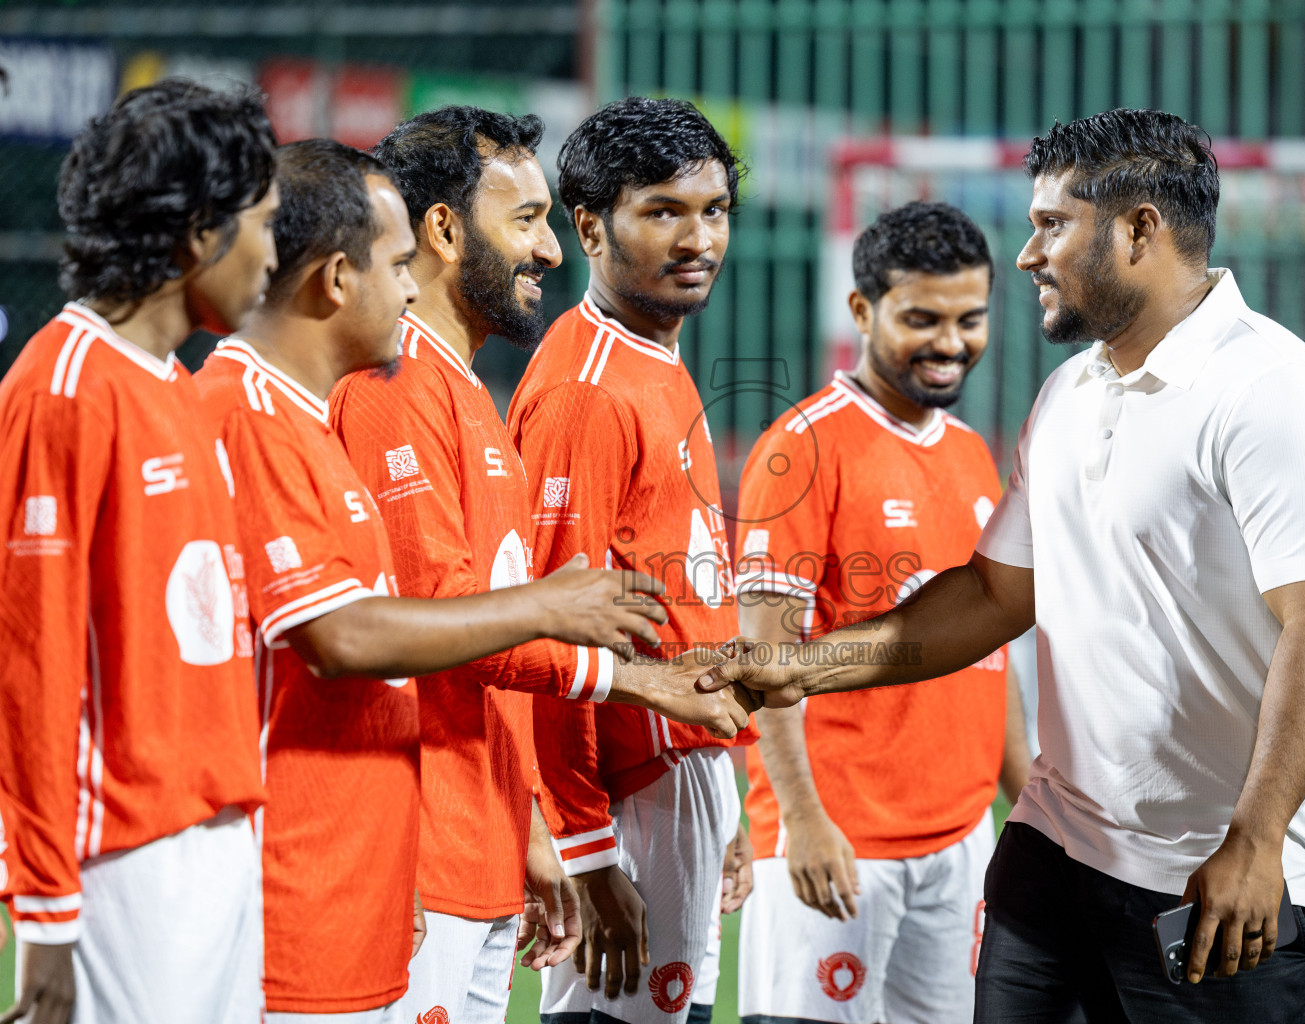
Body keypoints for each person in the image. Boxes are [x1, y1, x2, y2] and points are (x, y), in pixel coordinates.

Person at [703, 107, 1305, 1023]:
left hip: (1223, 880)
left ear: (1140, 230)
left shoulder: (1276, 395)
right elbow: (990, 597)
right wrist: (798, 667)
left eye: (1052, 225)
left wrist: (1257, 844)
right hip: (1055, 857)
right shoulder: (1069, 392)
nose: (1028, 254)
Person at [197, 138, 753, 1023]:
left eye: (715, 211)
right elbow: (395, 627)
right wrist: (590, 795)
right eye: (527, 220)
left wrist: (529, 818)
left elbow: (464, 625)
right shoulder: (380, 391)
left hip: (478, 837)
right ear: (445, 230)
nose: (548, 251)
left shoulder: (462, 394)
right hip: (387, 849)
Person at [0, 79, 278, 1024]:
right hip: (126, 867)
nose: (274, 257)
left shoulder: (177, 386)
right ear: (199, 233)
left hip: (222, 843)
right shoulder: (62, 389)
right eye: (264, 227)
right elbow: (29, 675)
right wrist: (44, 914)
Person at [733, 201, 1031, 1024]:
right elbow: (763, 661)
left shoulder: (973, 453)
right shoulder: (803, 448)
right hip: (840, 838)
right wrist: (800, 822)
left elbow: (990, 648)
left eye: (970, 319)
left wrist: (1029, 810)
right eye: (922, 319)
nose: (950, 342)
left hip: (961, 842)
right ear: (862, 311)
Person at [506, 97, 758, 1024]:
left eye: (714, 210)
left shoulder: (654, 357)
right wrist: (584, 849)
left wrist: (724, 778)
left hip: (683, 767)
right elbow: (545, 631)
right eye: (663, 211)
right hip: (631, 784)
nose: (698, 238)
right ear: (589, 227)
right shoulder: (587, 392)